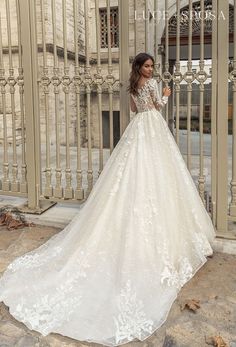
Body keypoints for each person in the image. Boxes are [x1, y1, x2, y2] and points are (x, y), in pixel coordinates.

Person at [0, 52, 215, 346]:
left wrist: (153, 98)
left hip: (138, 130)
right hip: (151, 128)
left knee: (141, 174)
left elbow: (133, 110)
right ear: (140, 67)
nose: (151, 69)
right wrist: (166, 94)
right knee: (154, 174)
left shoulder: (133, 85)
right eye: (148, 65)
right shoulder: (151, 85)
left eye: (152, 65)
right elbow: (156, 108)